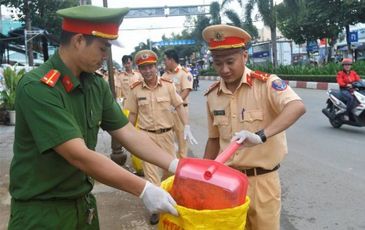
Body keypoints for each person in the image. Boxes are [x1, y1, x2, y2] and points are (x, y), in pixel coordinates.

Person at [8, 5, 180, 229]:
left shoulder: (95, 84)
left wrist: (176, 165)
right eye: (102, 48)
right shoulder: (39, 88)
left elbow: (127, 133)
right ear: (79, 40)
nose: (105, 56)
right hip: (42, 212)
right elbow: (78, 155)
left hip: (83, 206)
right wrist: (143, 188)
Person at [202, 24, 306, 230]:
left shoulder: (266, 84)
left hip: (262, 182)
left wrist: (260, 136)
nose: (224, 69)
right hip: (227, 182)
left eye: (230, 62)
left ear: (245, 56)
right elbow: (214, 139)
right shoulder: (212, 95)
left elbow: (297, 106)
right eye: (217, 63)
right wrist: (202, 175)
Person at [124, 50, 196, 224]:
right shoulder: (135, 90)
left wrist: (186, 125)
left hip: (166, 135)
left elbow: (179, 106)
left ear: (156, 67)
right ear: (139, 70)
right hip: (146, 137)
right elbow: (132, 115)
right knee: (151, 173)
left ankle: (170, 200)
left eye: (150, 66)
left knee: (168, 172)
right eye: (143, 68)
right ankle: (155, 209)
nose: (147, 71)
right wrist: (128, 135)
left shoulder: (168, 85)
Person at [162, 49, 195, 158]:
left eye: (165, 60)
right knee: (167, 139)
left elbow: (186, 91)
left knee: (182, 139)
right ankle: (171, 165)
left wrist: (175, 105)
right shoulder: (164, 75)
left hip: (180, 111)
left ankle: (183, 164)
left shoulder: (184, 73)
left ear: (171, 60)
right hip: (167, 112)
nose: (164, 62)